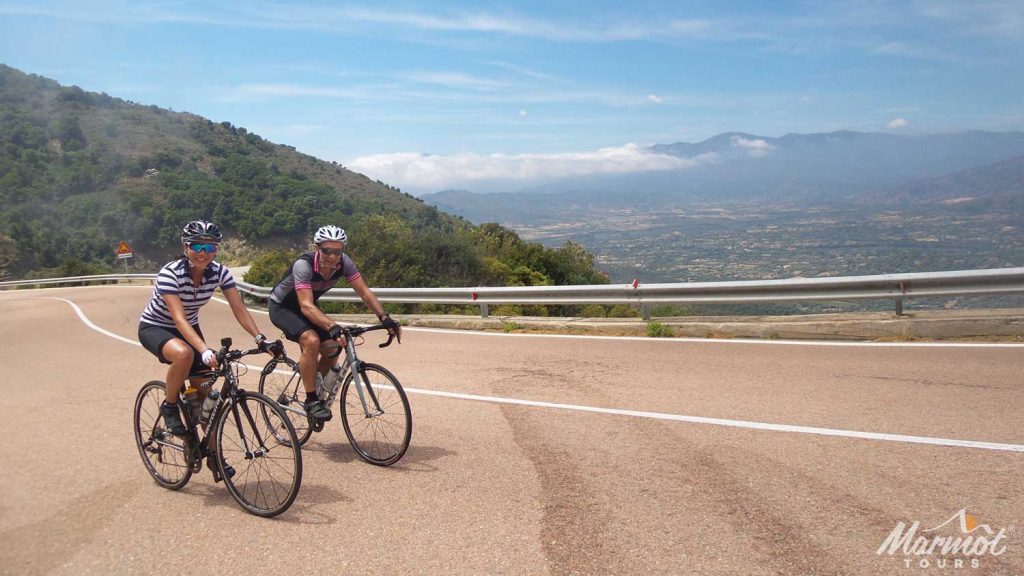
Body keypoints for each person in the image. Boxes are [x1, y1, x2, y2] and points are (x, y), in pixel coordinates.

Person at [138, 220, 282, 443]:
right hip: (156, 326)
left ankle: (214, 458)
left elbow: (239, 309)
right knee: (184, 354)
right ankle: (170, 405)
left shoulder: (219, 273)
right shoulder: (170, 273)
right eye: (196, 246)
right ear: (185, 247)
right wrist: (204, 350)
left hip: (190, 327)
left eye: (210, 247)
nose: (203, 253)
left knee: (206, 399)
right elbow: (178, 319)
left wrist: (260, 339)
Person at [268, 225, 401, 422]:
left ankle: (314, 384)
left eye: (337, 251)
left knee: (333, 348)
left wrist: (384, 317)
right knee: (311, 340)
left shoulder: (344, 264)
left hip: (310, 306)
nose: (332, 256)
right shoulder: (303, 265)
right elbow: (305, 305)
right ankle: (311, 400)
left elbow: (364, 292)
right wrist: (332, 326)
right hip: (283, 307)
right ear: (317, 248)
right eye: (326, 251)